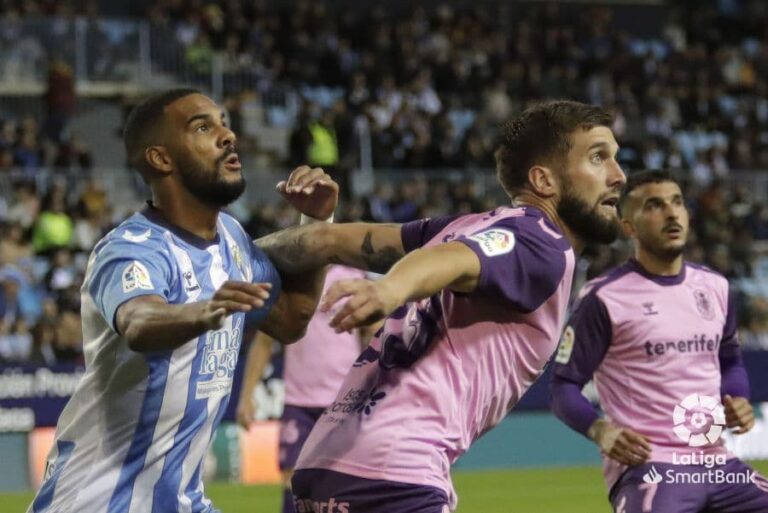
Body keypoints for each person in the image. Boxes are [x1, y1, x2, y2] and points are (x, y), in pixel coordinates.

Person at [255, 100, 627, 512]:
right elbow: (452, 260)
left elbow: (324, 243)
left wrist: (227, 256)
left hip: (325, 465)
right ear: (543, 180)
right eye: (598, 158)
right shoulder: (541, 243)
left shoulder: (461, 226)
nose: (618, 176)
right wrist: (391, 290)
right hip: (394, 472)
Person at [28, 88, 338, 513]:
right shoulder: (130, 249)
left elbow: (289, 321)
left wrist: (317, 222)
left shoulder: (232, 239)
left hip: (182, 502)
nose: (227, 135)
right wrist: (200, 311)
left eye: (224, 122)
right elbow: (138, 320)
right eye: (203, 127)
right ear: (161, 158)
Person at [550, 170, 768, 512]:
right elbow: (563, 387)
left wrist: (737, 397)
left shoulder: (715, 287)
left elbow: (730, 361)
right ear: (628, 226)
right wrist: (600, 430)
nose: (670, 213)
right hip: (652, 466)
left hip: (718, 463)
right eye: (654, 205)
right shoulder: (604, 298)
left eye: (677, 202)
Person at [236, 265, 380, 513]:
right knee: (293, 480)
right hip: (298, 401)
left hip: (344, 401)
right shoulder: (293, 278)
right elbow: (263, 341)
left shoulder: (355, 278)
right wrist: (245, 398)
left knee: (343, 485)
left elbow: (377, 334)